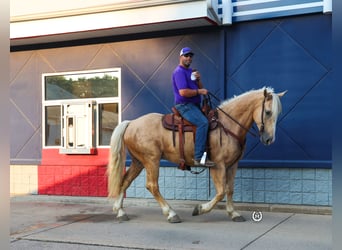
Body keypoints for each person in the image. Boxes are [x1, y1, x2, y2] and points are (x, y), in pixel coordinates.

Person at [172, 47, 216, 168]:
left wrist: (198, 80)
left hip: (195, 105)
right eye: (186, 56)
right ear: (181, 57)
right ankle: (198, 158)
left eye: (191, 56)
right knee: (203, 123)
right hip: (184, 105)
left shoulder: (191, 72)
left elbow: (199, 87)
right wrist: (200, 92)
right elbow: (183, 92)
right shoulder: (179, 72)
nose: (189, 58)